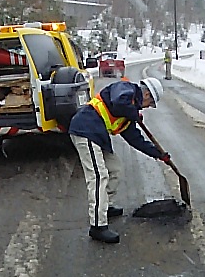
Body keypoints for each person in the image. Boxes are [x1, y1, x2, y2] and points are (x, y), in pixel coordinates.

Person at [68, 77, 169, 244]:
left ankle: (104, 207)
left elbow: (136, 140)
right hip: (84, 129)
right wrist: (134, 113)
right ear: (146, 95)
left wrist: (159, 154)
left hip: (97, 136)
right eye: (150, 103)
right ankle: (97, 226)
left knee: (115, 169)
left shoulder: (128, 116)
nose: (147, 107)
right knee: (99, 177)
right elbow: (119, 101)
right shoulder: (126, 89)